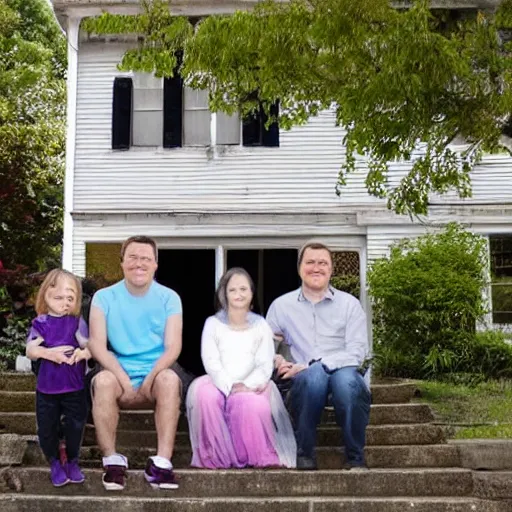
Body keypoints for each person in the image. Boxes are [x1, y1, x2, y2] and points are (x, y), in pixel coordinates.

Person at [88, 236, 184, 491]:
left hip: (157, 371)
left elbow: (173, 347)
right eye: (132, 257)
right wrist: (122, 378)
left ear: (155, 264)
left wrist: (150, 379)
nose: (138, 263)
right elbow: (97, 345)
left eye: (145, 258)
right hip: (118, 369)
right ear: (121, 263)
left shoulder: (169, 298)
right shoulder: (103, 297)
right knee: (103, 381)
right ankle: (112, 463)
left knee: (170, 379)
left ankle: (162, 464)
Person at [266, 241, 371, 471]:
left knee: (345, 381)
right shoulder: (281, 306)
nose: (316, 268)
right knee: (314, 377)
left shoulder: (349, 305)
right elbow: (264, 347)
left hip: (343, 374)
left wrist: (314, 365)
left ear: (331, 269)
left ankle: (355, 456)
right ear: (300, 268)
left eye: (322, 263)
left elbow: (357, 352)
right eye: (310, 262)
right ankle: (304, 452)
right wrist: (278, 361)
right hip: (305, 382)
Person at [186, 267, 296, 469]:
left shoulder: (261, 324)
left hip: (253, 383)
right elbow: (211, 360)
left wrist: (248, 385)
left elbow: (265, 362)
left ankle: (251, 455)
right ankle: (215, 456)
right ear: (224, 295)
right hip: (218, 381)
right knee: (205, 396)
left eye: (243, 289)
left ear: (252, 293)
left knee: (248, 402)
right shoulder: (212, 323)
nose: (238, 294)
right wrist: (229, 386)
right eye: (233, 290)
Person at [26, 269, 91, 487]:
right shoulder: (40, 323)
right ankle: (54, 461)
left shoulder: (76, 322)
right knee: (46, 427)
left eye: (70, 298)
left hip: (74, 386)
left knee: (75, 425)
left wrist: (83, 353)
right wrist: (49, 353)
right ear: (45, 295)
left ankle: (72, 460)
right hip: (47, 388)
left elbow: (89, 346)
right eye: (58, 297)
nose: (65, 303)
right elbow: (31, 350)